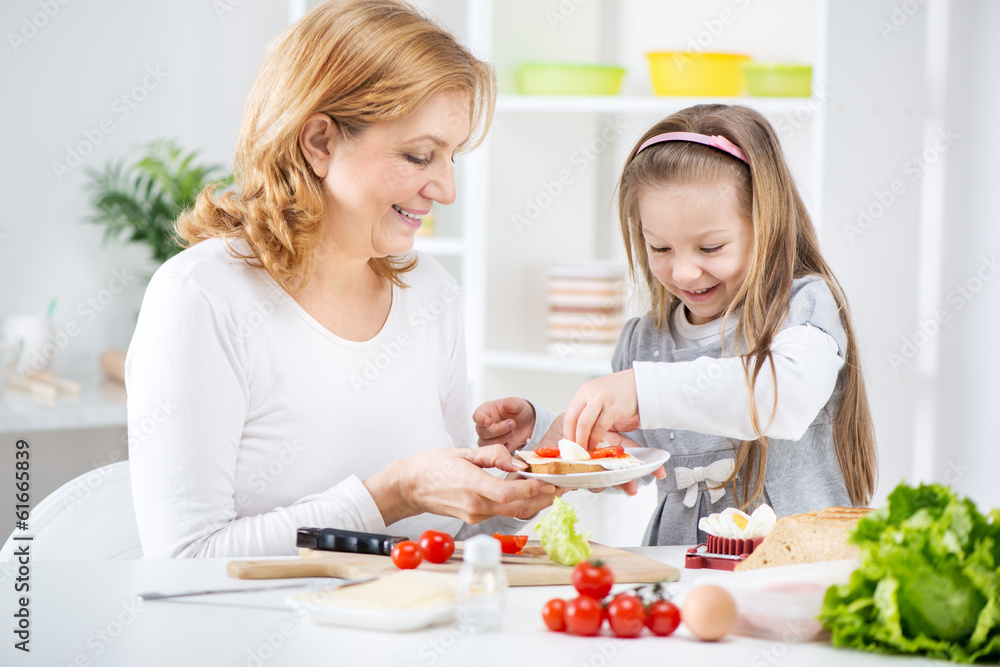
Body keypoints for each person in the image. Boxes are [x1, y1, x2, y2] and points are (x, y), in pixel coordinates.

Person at [126, 0, 556, 559]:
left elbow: (446, 540)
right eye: (419, 155)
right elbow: (185, 558)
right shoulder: (202, 296)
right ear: (320, 142)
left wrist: (524, 478)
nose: (446, 189)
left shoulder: (430, 292)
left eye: (451, 158)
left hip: (414, 636)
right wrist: (393, 494)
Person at [477, 104, 877, 545]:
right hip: (681, 572)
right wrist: (554, 434)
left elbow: (785, 396)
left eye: (710, 248)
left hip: (795, 571)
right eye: (661, 248)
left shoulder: (801, 310)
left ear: (767, 228)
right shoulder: (643, 342)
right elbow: (630, 455)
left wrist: (637, 390)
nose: (684, 273)